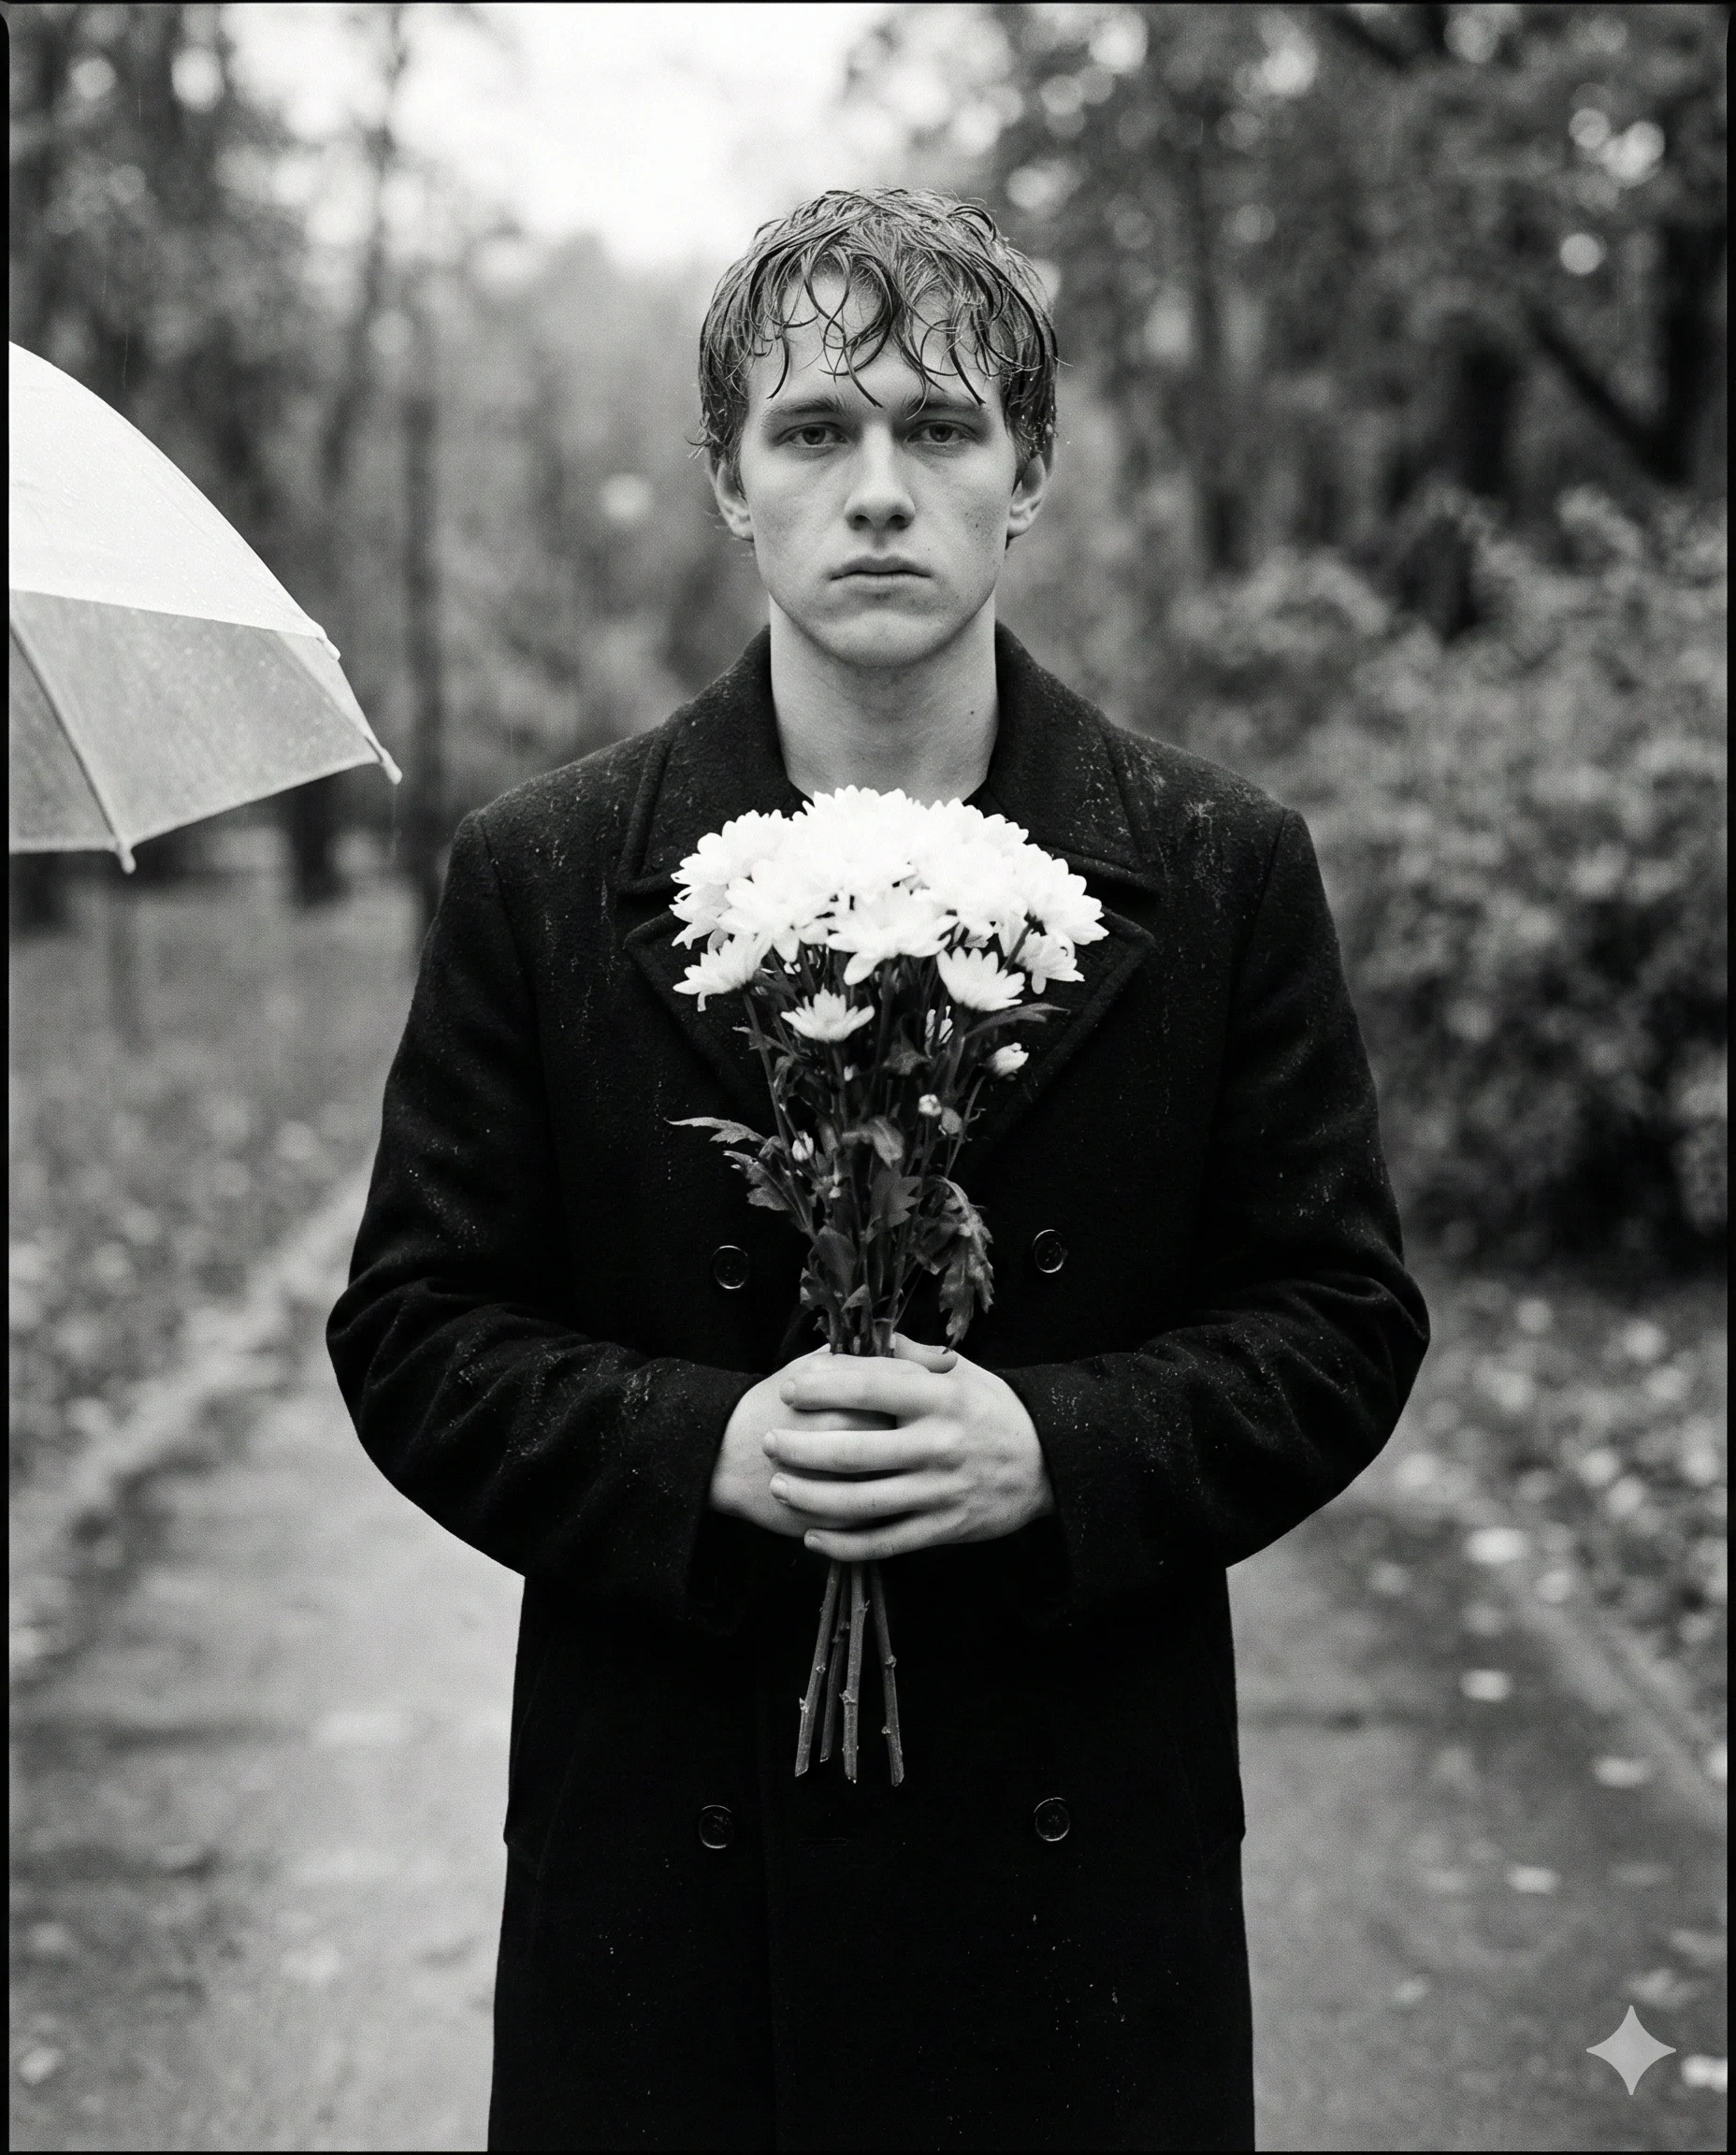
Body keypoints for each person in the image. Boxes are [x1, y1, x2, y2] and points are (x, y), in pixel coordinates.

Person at [327, 187, 1428, 2152]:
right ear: (729, 482)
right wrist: (699, 1451)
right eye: (815, 430)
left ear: (1030, 473)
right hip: (669, 1890)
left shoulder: (1220, 867)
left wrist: (1059, 1451)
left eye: (939, 428)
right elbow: (413, 1329)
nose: (880, 491)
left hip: (1078, 1890)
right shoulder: (544, 875)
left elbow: (1341, 1317)